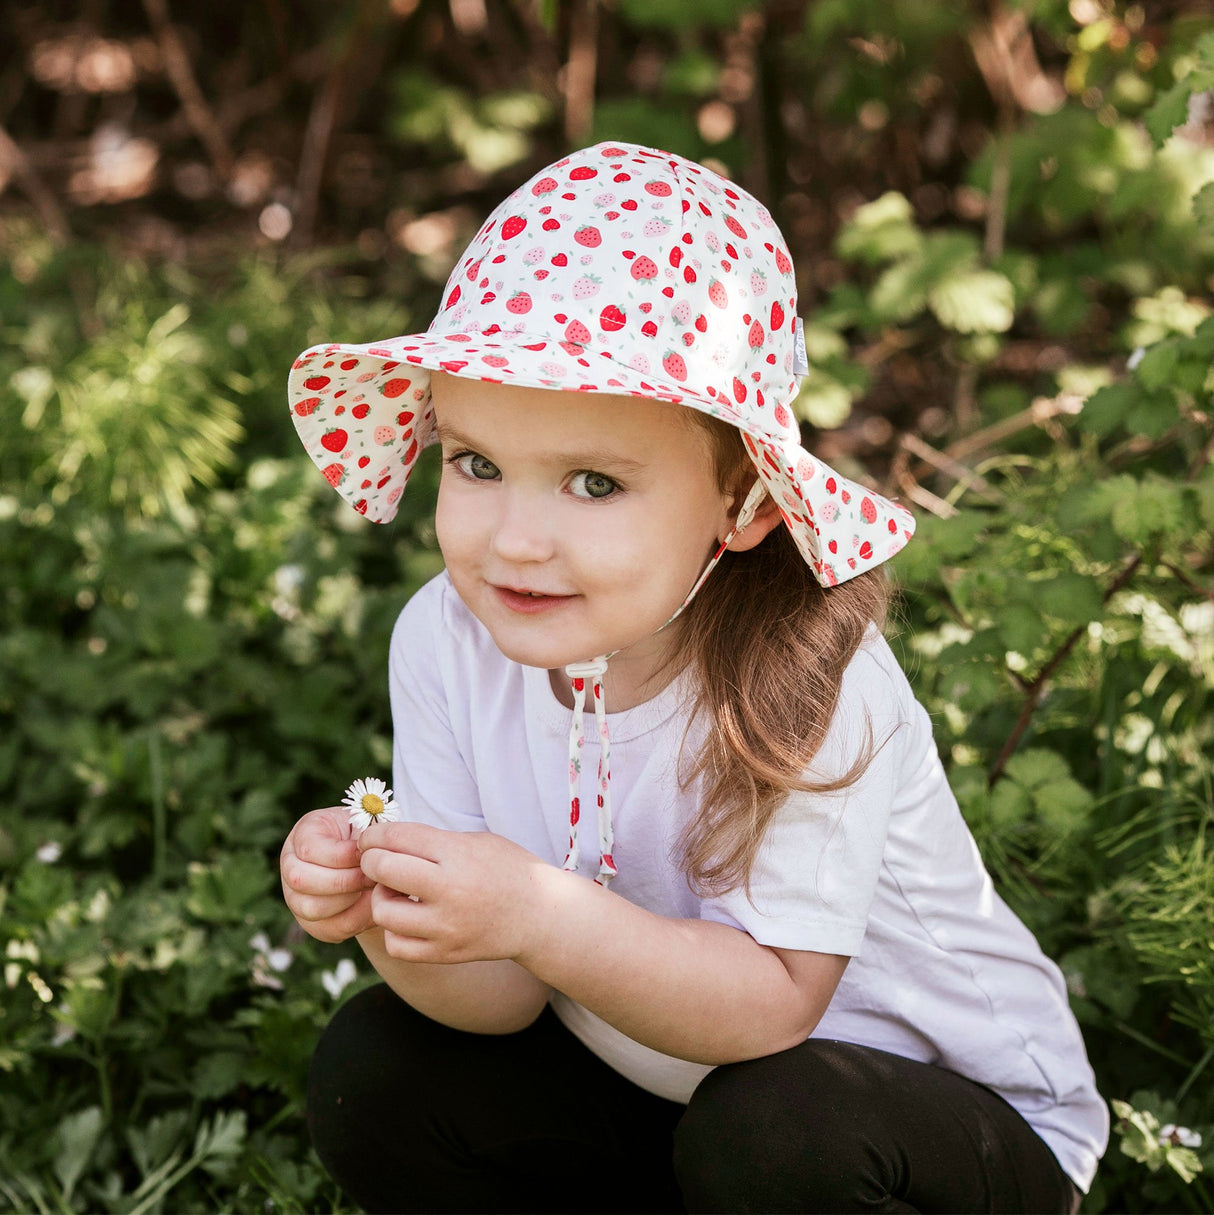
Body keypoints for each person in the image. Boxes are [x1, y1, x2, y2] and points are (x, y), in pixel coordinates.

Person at [279, 141, 1107, 1214]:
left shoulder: (804, 676)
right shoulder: (445, 638)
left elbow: (771, 1012)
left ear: (744, 507)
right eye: (476, 464)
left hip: (914, 1129)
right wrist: (393, 913)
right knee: (378, 1069)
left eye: (591, 482)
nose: (515, 541)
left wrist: (534, 914)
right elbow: (501, 1000)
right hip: (669, 1094)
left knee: (775, 1133)